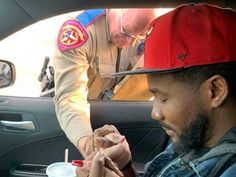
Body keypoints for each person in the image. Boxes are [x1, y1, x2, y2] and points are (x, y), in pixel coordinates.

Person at [76, 3, 236, 177]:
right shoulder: (194, 135)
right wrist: (124, 166)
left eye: (163, 98)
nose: (155, 113)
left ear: (215, 91)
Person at [52, 8, 155, 157]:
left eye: (138, 36)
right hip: (83, 118)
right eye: (126, 32)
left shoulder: (148, 31)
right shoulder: (79, 32)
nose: (129, 42)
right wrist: (87, 144)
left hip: (123, 119)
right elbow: (70, 97)